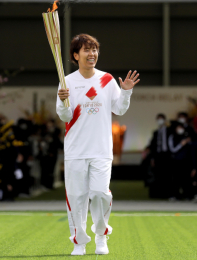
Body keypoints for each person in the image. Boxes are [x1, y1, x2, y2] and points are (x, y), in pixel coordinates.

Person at [56, 34, 140, 256]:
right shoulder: (67, 82)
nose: (92, 54)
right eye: (86, 50)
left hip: (101, 150)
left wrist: (127, 91)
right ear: (76, 55)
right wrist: (63, 100)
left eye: (94, 49)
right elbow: (64, 116)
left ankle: (101, 236)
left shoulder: (106, 80)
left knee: (101, 193)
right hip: (76, 150)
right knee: (76, 197)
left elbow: (119, 109)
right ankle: (79, 242)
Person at [148, 114, 172, 198]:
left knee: (168, 175)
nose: (160, 121)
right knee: (159, 175)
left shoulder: (169, 130)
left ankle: (168, 193)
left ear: (165, 120)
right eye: (158, 119)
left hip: (167, 155)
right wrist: (152, 158)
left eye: (161, 119)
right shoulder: (156, 132)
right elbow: (153, 146)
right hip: (158, 156)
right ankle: (160, 194)